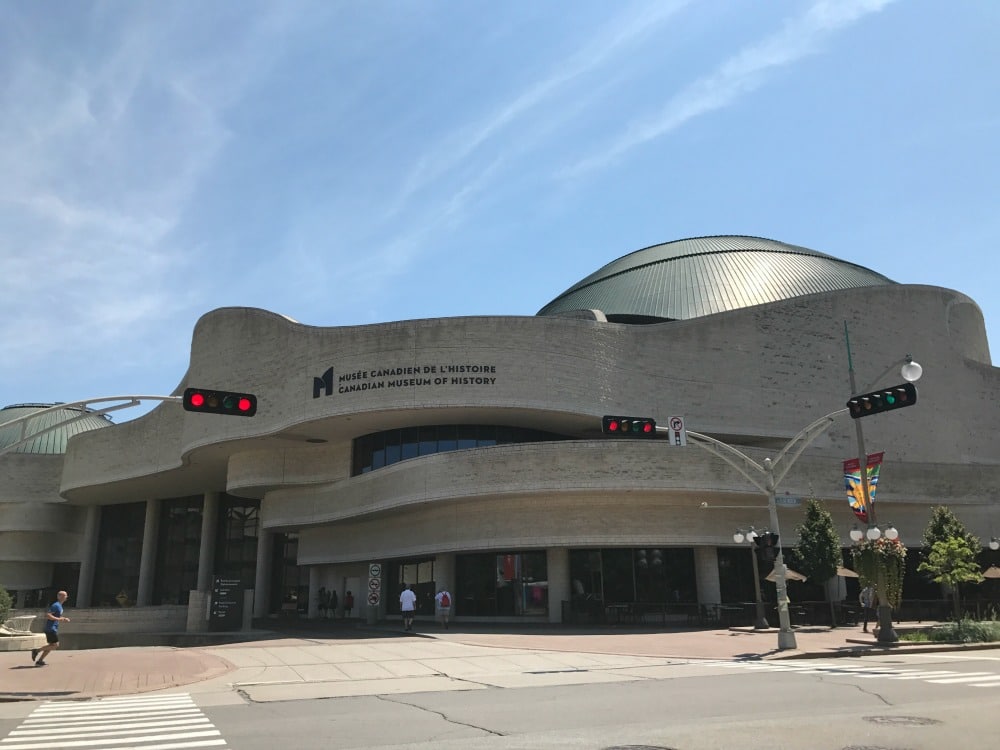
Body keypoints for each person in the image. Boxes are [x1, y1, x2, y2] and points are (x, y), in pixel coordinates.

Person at [32, 590, 70, 667]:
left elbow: (56, 616)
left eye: (66, 595)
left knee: (51, 646)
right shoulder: (56, 605)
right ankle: (36, 650)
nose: (66, 597)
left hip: (53, 628)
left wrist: (63, 618)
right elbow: (48, 615)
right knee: (55, 645)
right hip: (50, 628)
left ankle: (40, 661)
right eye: (65, 595)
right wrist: (59, 619)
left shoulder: (59, 606)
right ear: (60, 597)